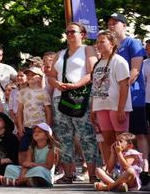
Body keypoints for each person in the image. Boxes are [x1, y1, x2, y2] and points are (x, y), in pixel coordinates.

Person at [46, 22, 99, 184]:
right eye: (67, 32)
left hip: (79, 97)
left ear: (82, 34)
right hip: (59, 97)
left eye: (72, 32)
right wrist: (56, 84)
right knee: (63, 137)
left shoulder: (87, 49)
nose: (69, 34)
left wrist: (75, 85)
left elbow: (92, 73)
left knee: (86, 136)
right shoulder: (60, 53)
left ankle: (92, 174)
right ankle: (69, 174)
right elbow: (51, 75)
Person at [106, 13, 148, 165]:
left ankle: (144, 169)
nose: (111, 25)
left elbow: (135, 71)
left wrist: (121, 88)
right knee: (121, 136)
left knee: (139, 134)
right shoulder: (111, 47)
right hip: (114, 100)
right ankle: (123, 168)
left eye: (115, 22)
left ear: (124, 25)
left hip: (134, 98)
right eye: (109, 23)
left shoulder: (133, 42)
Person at [91, 30, 132, 164]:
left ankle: (126, 169)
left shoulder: (119, 61)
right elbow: (95, 87)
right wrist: (93, 109)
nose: (98, 44)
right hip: (101, 105)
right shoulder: (98, 63)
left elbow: (124, 86)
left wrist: (121, 109)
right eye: (97, 42)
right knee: (107, 139)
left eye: (102, 41)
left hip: (116, 106)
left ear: (112, 44)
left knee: (121, 140)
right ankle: (111, 169)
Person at [1, 123, 59, 187]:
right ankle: (27, 180)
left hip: (43, 172)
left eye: (39, 131)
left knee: (39, 169)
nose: (36, 133)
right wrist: (22, 175)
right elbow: (26, 164)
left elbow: (49, 166)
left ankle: (19, 182)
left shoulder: (51, 149)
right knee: (10, 167)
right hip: (32, 171)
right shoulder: (31, 147)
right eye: (34, 131)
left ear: (47, 136)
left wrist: (33, 164)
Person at [16, 67, 52, 163]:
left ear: (40, 78)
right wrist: (20, 125)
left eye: (33, 75)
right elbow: (19, 110)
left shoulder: (44, 92)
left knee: (40, 148)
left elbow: (48, 110)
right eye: (28, 75)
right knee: (23, 149)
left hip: (40, 127)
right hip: (27, 126)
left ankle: (39, 170)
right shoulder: (22, 92)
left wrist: (47, 126)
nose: (30, 77)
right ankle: (23, 171)